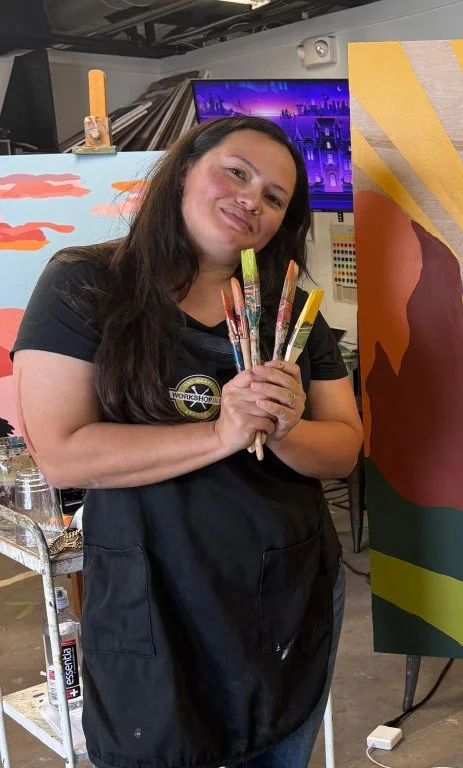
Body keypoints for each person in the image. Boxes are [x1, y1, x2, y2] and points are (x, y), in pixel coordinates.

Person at [10, 115, 363, 768]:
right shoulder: (86, 283)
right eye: (236, 173)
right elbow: (62, 452)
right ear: (182, 173)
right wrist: (223, 431)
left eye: (274, 197)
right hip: (155, 597)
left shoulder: (291, 313)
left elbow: (344, 448)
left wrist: (285, 427)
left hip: (283, 594)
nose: (251, 200)